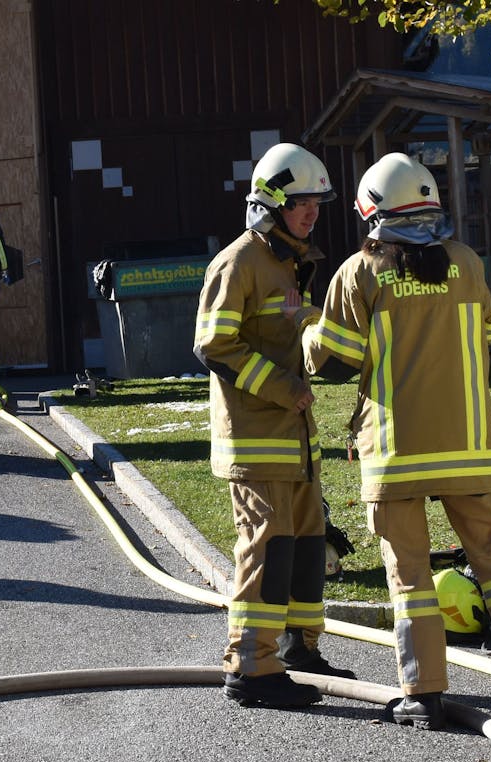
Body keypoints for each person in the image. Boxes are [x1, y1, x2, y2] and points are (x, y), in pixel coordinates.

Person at [303, 152, 491, 729]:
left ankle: (423, 694)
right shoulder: (468, 262)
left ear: (372, 212)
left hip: (396, 453)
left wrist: (302, 325)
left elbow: (333, 360)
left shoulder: (360, 272)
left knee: (409, 575)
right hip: (468, 446)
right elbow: (483, 332)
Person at [193, 142, 356, 710]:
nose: (313, 212)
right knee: (265, 549)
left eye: (318, 202)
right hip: (258, 441)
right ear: (271, 203)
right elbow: (214, 344)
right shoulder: (239, 263)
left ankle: (298, 650)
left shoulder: (291, 265)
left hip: (297, 441)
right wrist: (285, 389)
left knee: (306, 548)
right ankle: (251, 666)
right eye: (303, 203)